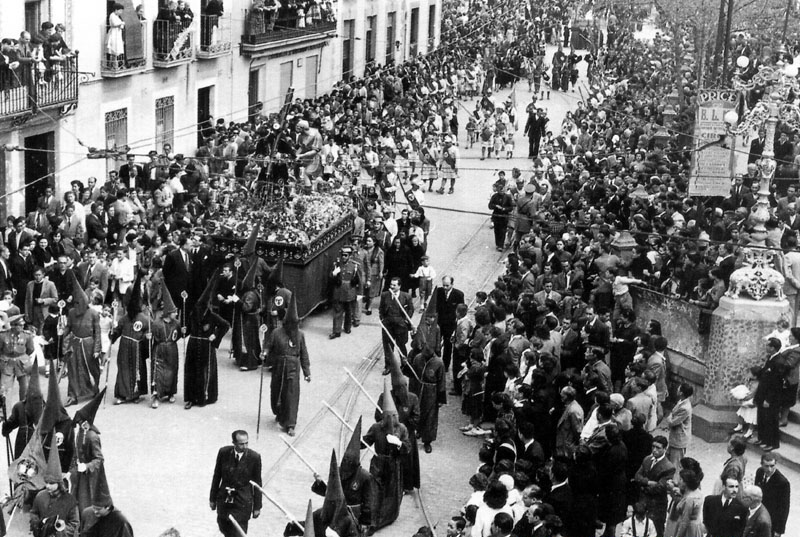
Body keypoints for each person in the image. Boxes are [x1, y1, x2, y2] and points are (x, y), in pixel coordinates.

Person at [363, 379, 411, 530]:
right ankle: (373, 519)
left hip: (394, 464)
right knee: (375, 491)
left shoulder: (402, 429)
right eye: (388, 417)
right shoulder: (377, 428)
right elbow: (366, 441)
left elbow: (408, 448)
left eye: (394, 416)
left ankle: (387, 517)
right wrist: (358, 439)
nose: (391, 420)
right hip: (378, 463)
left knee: (391, 492)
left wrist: (399, 444)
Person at [312, 417, 376, 530]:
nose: (346, 464)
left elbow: (368, 502)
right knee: (316, 517)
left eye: (349, 461)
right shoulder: (339, 470)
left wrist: (365, 522)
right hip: (335, 511)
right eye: (345, 460)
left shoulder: (364, 477)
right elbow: (330, 492)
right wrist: (319, 483)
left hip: (351, 516)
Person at [263, 295, 310, 436]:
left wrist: (307, 372)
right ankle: (279, 413)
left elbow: (304, 354)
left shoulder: (300, 335)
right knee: (276, 392)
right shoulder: (277, 333)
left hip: (292, 369)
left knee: (291, 395)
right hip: (278, 367)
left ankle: (290, 424)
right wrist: (264, 353)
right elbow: (268, 346)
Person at [209, 430, 262, 537]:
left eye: (246, 443)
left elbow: (257, 483)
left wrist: (257, 507)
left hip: (242, 502)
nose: (245, 446)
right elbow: (217, 476)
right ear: (234, 442)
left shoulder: (254, 457)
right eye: (241, 444)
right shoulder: (224, 452)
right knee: (224, 526)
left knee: (238, 532)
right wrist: (212, 499)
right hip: (224, 500)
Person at [109, 272, 150, 405]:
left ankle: (136, 394)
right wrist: (112, 334)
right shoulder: (124, 319)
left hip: (137, 349)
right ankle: (122, 394)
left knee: (138, 370)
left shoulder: (144, 319)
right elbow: (117, 331)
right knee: (123, 370)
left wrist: (147, 337)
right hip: (124, 348)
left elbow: (149, 333)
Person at [64, 271, 102, 406]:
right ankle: (72, 395)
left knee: (92, 369)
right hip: (75, 344)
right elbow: (68, 328)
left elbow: (97, 332)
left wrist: (97, 349)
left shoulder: (93, 313)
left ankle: (94, 390)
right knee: (73, 369)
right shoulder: (71, 312)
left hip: (88, 344)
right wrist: (61, 334)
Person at [30, 434, 80, 537]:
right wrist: (37, 523)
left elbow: (74, 523)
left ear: (59, 484)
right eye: (47, 482)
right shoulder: (40, 496)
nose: (48, 486)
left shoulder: (69, 500)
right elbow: (34, 512)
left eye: (52, 483)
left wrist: (59, 532)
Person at [70, 389, 110, 514]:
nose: (79, 424)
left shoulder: (92, 437)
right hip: (80, 473)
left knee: (86, 502)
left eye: (80, 422)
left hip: (90, 475)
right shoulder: (81, 433)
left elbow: (99, 459)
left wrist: (87, 466)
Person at [634, 436, 675, 537]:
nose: (654, 450)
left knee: (656, 531)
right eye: (653, 447)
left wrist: (642, 484)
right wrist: (648, 482)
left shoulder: (669, 467)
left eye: (658, 448)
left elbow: (659, 488)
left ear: (665, 449)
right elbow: (637, 476)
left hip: (656, 506)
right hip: (643, 502)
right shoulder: (647, 459)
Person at [150, 280, 182, 408]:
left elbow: (178, 335)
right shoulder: (157, 323)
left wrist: (183, 332)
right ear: (169, 313)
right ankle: (156, 396)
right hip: (159, 349)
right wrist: (149, 337)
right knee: (157, 372)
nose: (176, 314)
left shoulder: (177, 323)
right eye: (174, 312)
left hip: (172, 349)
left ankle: (170, 393)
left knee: (172, 371)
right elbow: (153, 338)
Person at [379, 277, 414, 374]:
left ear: (399, 286)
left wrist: (406, 320)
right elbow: (381, 308)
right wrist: (382, 318)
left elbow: (411, 309)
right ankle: (389, 366)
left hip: (401, 326)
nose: (392, 287)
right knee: (388, 346)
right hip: (388, 325)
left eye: (394, 285)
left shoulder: (406, 296)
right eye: (391, 284)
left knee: (401, 346)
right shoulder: (385, 295)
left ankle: (404, 365)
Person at [754, 338, 784, 451]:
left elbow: (776, 384)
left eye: (768, 345)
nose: (766, 347)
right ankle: (763, 439)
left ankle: (772, 443)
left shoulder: (779, 362)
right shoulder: (771, 358)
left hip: (771, 398)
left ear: (773, 348)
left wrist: (768, 399)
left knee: (771, 420)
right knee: (762, 418)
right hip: (763, 394)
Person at [434, 275, 465, 378]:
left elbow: (461, 311)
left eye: (447, 285)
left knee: (448, 346)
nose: (445, 288)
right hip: (439, 324)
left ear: (452, 284)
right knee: (436, 343)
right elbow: (434, 306)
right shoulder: (438, 291)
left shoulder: (458, 295)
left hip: (450, 325)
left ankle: (445, 365)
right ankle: (435, 362)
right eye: (443, 285)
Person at [753, 453, 790, 537]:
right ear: (761, 464)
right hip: (758, 517)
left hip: (772, 520)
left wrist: (779, 530)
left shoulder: (782, 483)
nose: (769, 469)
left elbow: (784, 508)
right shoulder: (760, 472)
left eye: (772, 466)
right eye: (766, 466)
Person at [329, 246, 362, 339]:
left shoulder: (355, 265)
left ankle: (347, 327)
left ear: (349, 256)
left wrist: (360, 293)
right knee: (337, 312)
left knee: (349, 311)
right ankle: (336, 331)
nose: (343, 257)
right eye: (342, 255)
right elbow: (331, 276)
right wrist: (334, 273)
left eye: (346, 255)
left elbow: (359, 281)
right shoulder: (337, 264)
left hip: (350, 292)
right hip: (338, 291)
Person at [0, 313, 35, 400]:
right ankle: (6, 412)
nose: (22, 327)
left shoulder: (27, 335)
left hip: (22, 364)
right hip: (7, 363)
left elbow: (30, 349)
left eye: (23, 325)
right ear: (13, 326)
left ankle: (23, 410)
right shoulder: (3, 336)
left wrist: (22, 356)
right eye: (20, 325)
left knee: (25, 388)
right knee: (5, 390)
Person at [664, 383, 693, 467]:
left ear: (681, 393)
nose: (677, 390)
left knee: (675, 463)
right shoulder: (681, 401)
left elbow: (672, 422)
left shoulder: (685, 408)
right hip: (675, 438)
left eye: (679, 389)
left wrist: (669, 417)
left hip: (679, 439)